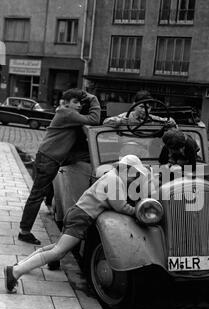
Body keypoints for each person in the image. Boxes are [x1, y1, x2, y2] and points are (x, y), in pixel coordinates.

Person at [4, 155, 150, 293]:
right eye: (134, 173)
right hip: (81, 217)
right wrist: (138, 211)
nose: (134, 177)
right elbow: (120, 206)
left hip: (77, 213)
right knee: (58, 251)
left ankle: (20, 265)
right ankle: (15, 272)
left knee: (56, 248)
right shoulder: (115, 181)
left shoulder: (112, 175)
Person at [18, 88, 101, 246]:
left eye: (80, 103)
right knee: (36, 196)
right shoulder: (66, 113)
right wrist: (92, 98)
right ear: (67, 103)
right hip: (48, 159)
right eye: (75, 102)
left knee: (38, 194)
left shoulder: (68, 114)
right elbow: (94, 119)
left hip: (52, 157)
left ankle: (38, 217)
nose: (78, 106)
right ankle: (24, 232)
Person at [103, 90, 176, 128]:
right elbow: (106, 122)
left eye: (147, 108)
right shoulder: (125, 117)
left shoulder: (153, 119)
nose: (144, 111)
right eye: (141, 107)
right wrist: (120, 121)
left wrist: (170, 122)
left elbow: (170, 121)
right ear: (134, 105)